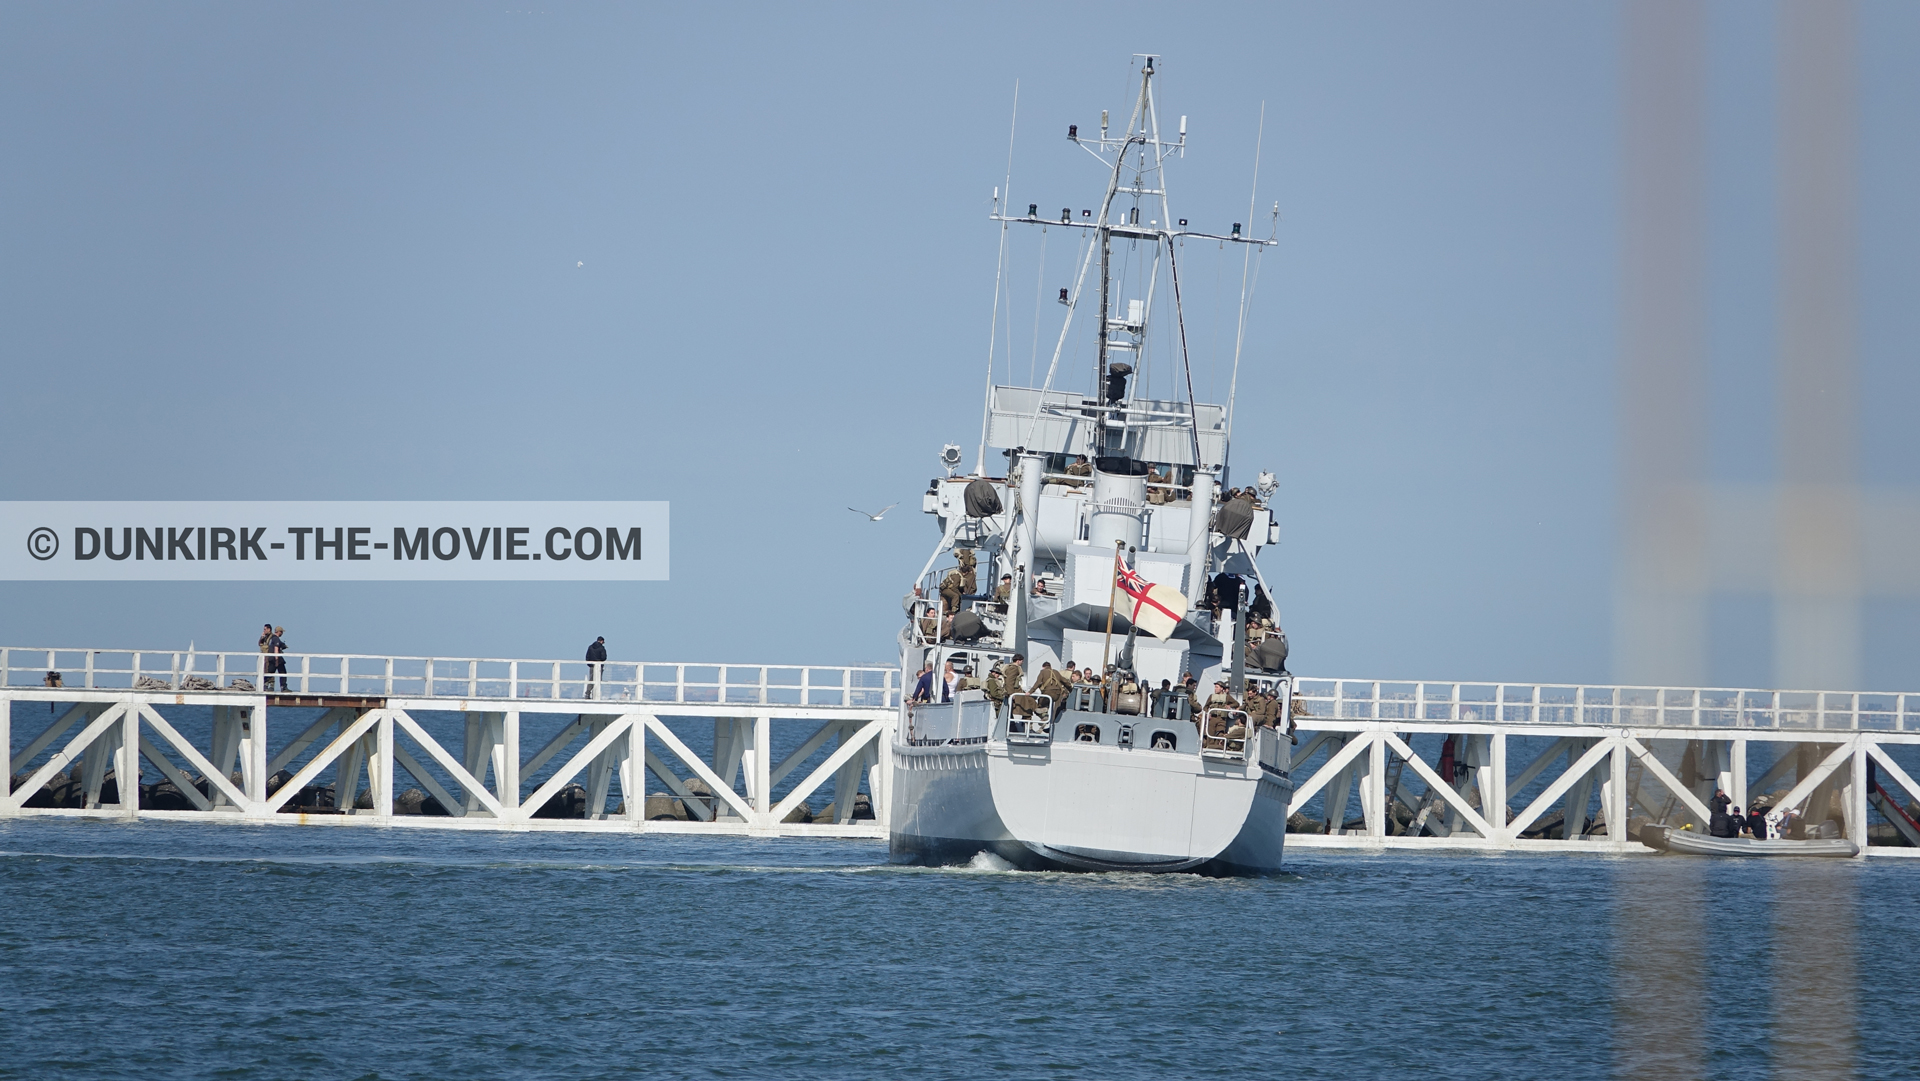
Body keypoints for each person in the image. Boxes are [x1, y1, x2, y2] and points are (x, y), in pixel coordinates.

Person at [269, 626, 289, 691]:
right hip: (276, 659)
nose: (282, 633)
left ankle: (266, 686)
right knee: (283, 672)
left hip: (271, 658)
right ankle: (283, 687)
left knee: (270, 672)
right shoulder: (276, 639)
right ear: (279, 632)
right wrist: (277, 660)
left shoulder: (272, 638)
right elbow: (276, 648)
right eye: (281, 632)